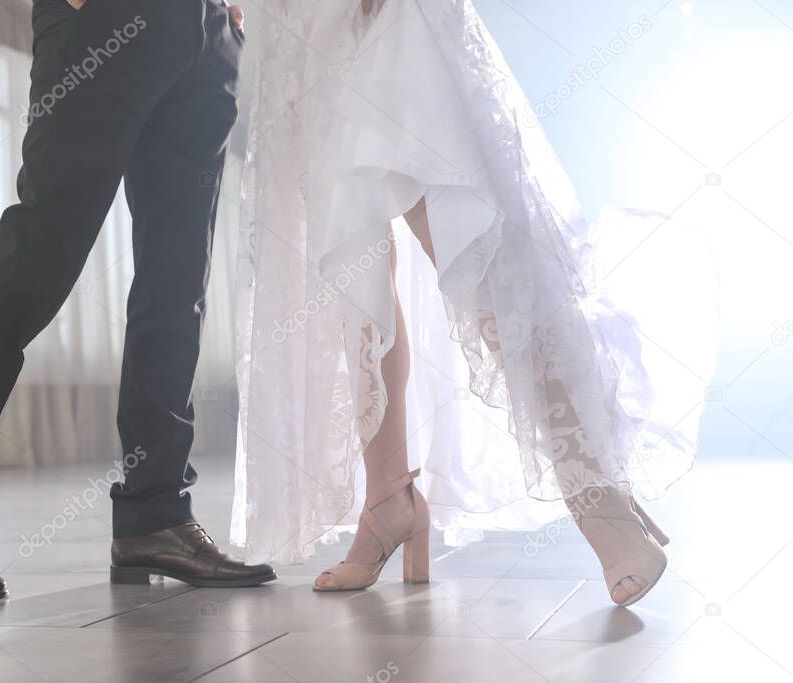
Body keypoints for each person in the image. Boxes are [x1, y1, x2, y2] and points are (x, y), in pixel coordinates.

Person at [233, 0, 713, 606]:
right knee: (351, 268)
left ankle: (599, 497)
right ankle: (388, 500)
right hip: (297, 22)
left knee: (475, 247)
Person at [0, 0, 275, 601]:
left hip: (206, 35)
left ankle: (154, 513)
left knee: (178, 281)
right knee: (38, 256)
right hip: (106, 18)